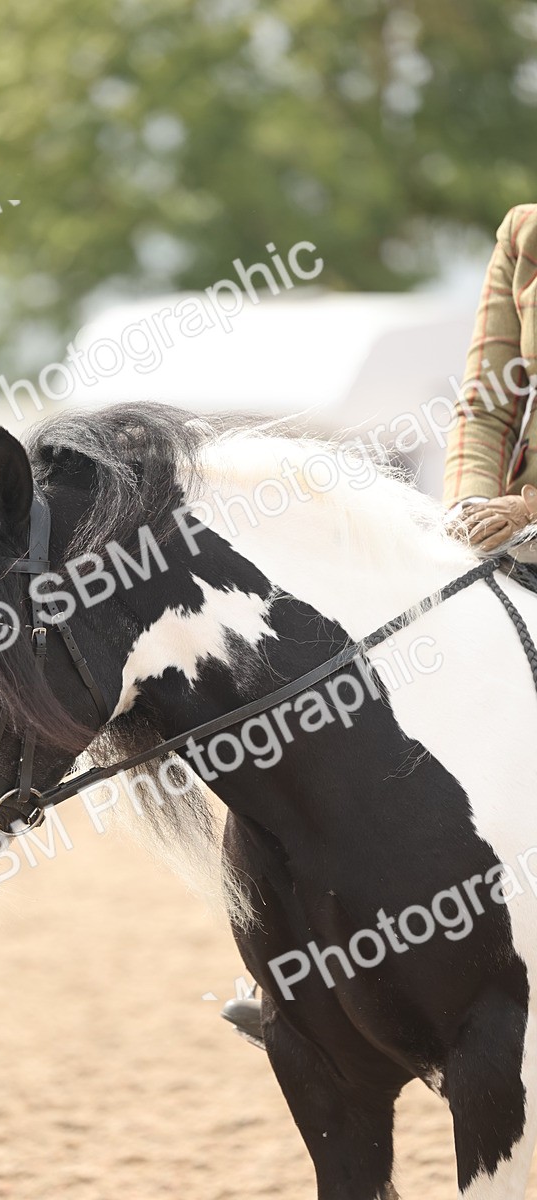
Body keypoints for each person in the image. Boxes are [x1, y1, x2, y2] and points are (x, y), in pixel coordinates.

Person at [220, 204, 537, 1049]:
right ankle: (306, 961)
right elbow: (484, 400)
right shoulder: (524, 234)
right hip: (505, 527)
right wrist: (469, 498)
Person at [444, 203, 537, 553]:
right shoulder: (525, 232)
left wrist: (529, 511)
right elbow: (485, 405)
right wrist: (470, 505)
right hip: (524, 545)